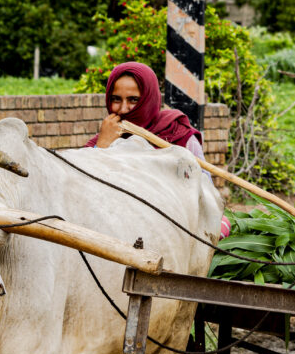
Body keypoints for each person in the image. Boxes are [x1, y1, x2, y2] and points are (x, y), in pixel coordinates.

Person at [86, 61, 230, 237]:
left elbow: (205, 197)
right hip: (113, 229)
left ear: (149, 98)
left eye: (133, 100)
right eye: (116, 99)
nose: (123, 109)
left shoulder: (180, 138)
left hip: (173, 233)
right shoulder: (104, 138)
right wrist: (101, 147)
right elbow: (84, 189)